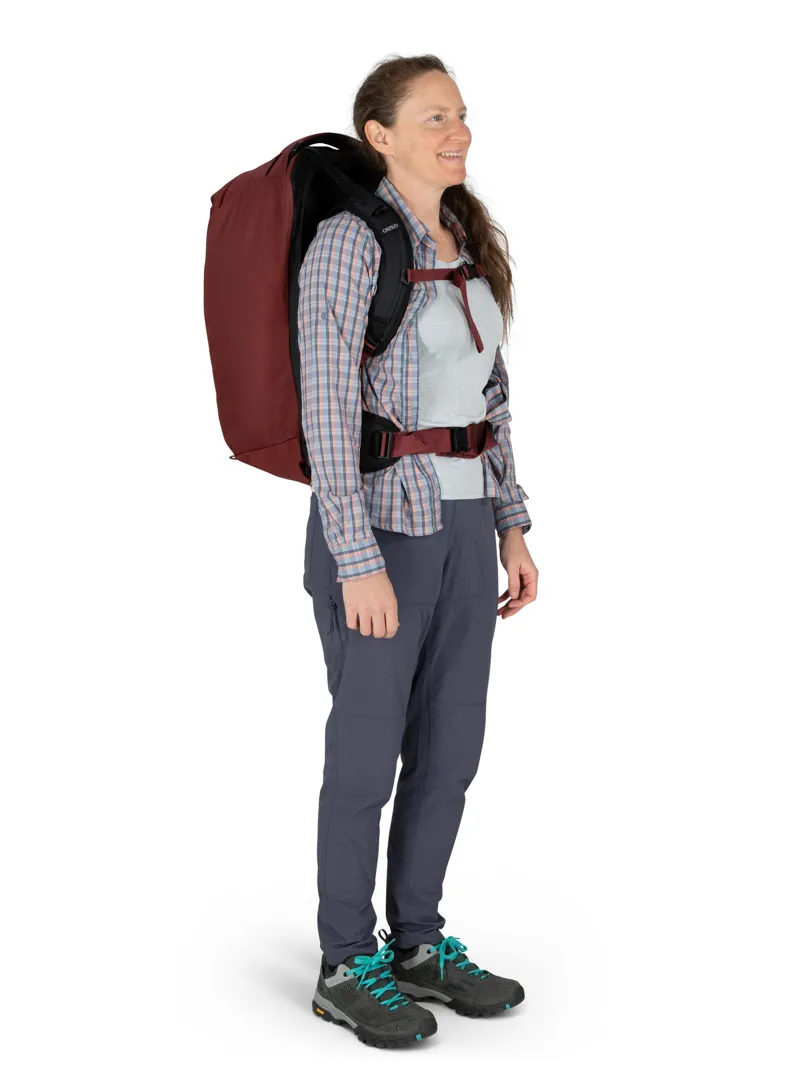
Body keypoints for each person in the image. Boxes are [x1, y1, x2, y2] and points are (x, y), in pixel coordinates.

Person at [298, 54, 539, 1049]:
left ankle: (417, 945)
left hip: (467, 532)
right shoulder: (348, 243)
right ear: (380, 134)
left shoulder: (466, 242)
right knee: (365, 758)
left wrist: (512, 523)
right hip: (383, 532)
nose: (457, 130)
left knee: (449, 753)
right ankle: (342, 963)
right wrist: (355, 558)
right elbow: (324, 408)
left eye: (462, 114)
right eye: (433, 116)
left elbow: (491, 398)